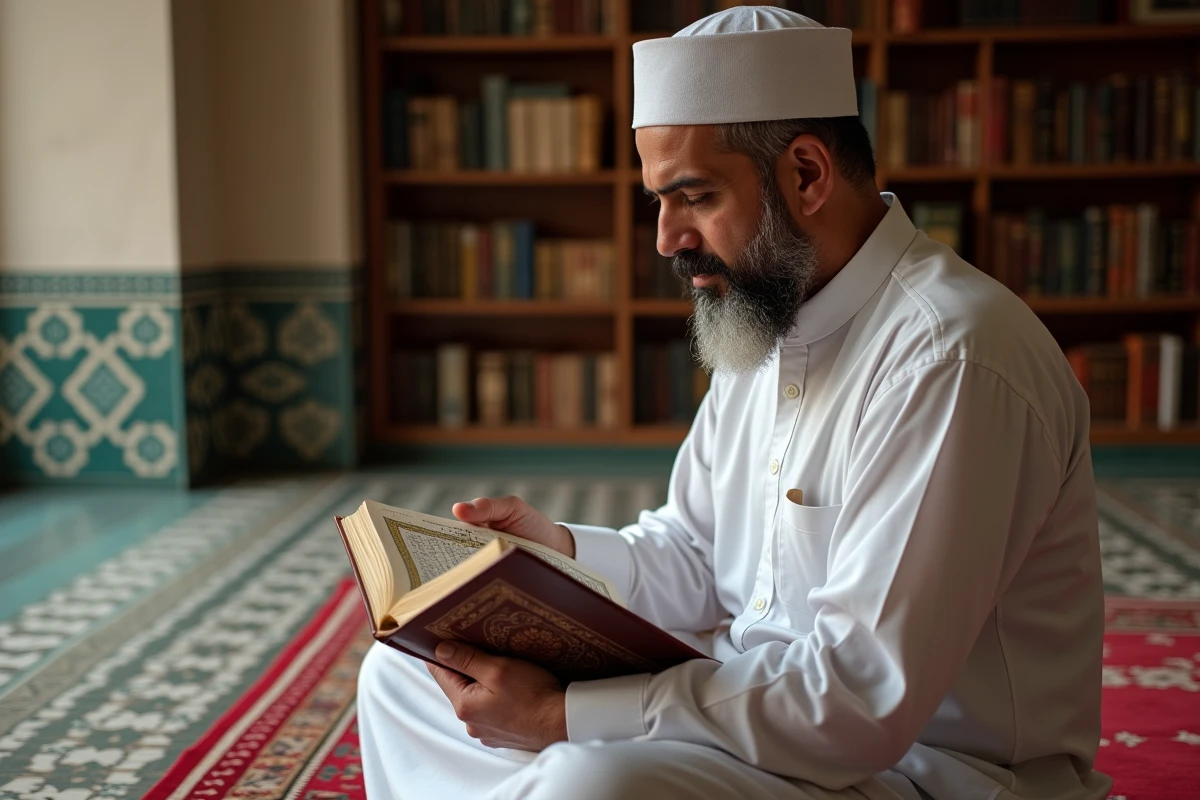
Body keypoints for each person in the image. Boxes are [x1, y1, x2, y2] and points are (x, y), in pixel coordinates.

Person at [357, 7, 1112, 799]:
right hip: (758, 719)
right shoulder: (769, 310)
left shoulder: (950, 359)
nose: (666, 238)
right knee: (406, 676)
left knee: (592, 784)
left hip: (926, 772)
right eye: (659, 200)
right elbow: (698, 554)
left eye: (694, 196)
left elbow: (860, 700)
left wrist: (564, 717)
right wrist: (560, 555)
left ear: (808, 174)